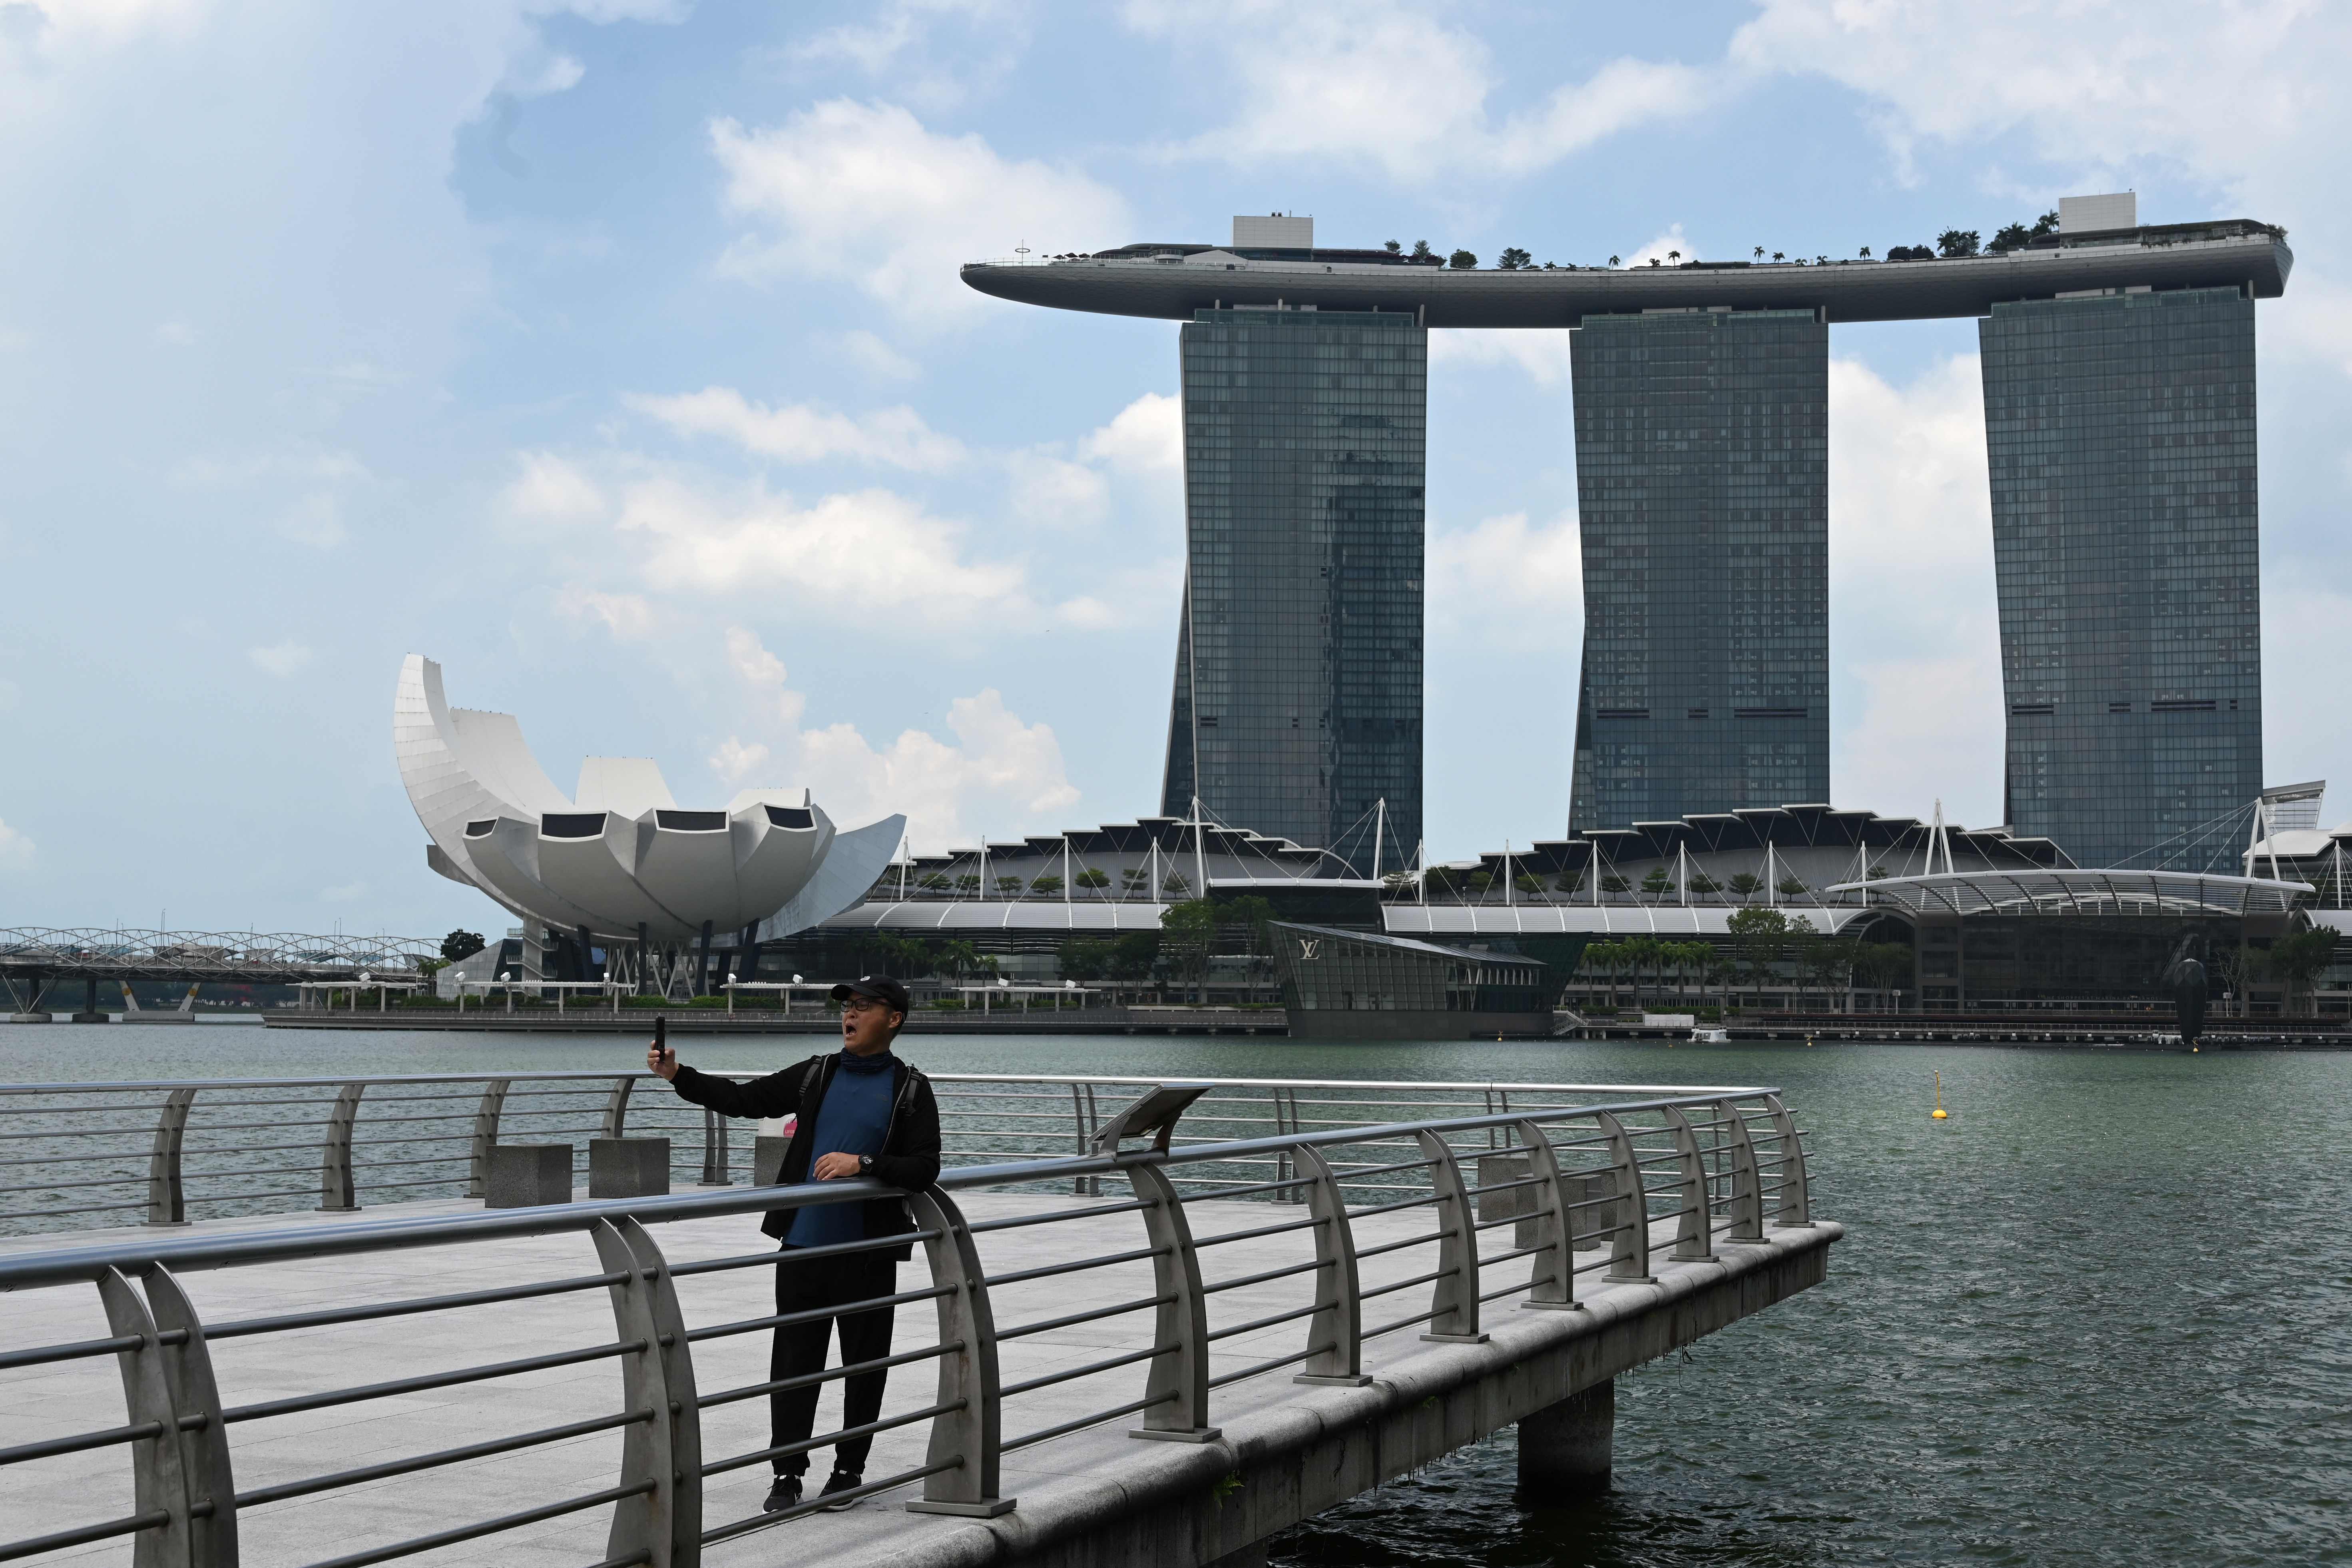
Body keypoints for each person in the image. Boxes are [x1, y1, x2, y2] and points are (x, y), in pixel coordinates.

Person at [648, 974, 940, 1512]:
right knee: (793, 1364)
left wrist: (866, 1165)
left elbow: (925, 1166)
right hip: (803, 1243)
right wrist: (678, 1075)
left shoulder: (910, 1089)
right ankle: (787, 1474)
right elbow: (744, 1098)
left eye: (862, 1007)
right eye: (847, 1007)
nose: (848, 1015)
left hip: (868, 1251)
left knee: (863, 1365)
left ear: (893, 1019)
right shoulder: (817, 1073)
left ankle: (849, 1470)